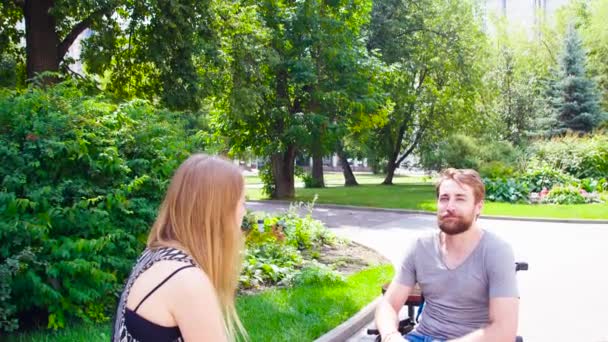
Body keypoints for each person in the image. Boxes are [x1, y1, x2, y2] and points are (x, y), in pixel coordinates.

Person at [112, 154, 247, 342]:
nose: (244, 212)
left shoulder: (157, 253)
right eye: (243, 203)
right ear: (219, 212)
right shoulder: (187, 280)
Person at [375, 168, 519, 342]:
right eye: (444, 198)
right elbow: (388, 304)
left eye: (460, 198)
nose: (450, 206)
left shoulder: (496, 251)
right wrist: (391, 336)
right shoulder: (420, 247)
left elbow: (504, 330)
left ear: (478, 207)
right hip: (421, 336)